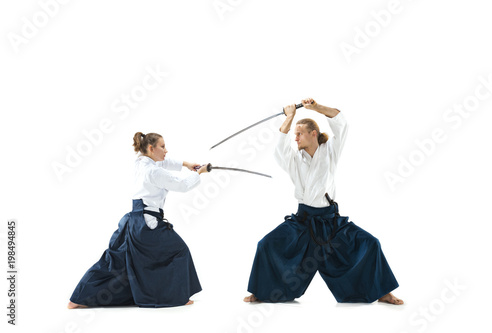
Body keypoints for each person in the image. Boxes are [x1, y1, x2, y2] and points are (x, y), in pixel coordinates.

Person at [244, 98, 403, 305]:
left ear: (314, 134)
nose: (296, 138)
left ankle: (383, 292)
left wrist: (316, 108)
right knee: (265, 244)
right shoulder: (294, 160)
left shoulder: (331, 151)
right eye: (295, 134)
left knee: (371, 243)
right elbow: (279, 149)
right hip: (302, 222)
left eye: (299, 133)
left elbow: (341, 122)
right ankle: (261, 292)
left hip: (331, 223)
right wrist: (290, 117)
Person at [68, 132, 209, 309]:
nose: (166, 150)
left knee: (118, 260)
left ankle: (78, 298)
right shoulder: (154, 171)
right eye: (163, 146)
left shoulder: (141, 161)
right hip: (148, 224)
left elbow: (163, 161)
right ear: (151, 148)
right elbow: (182, 185)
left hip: (134, 221)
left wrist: (186, 164)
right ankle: (175, 295)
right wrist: (200, 173)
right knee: (179, 251)